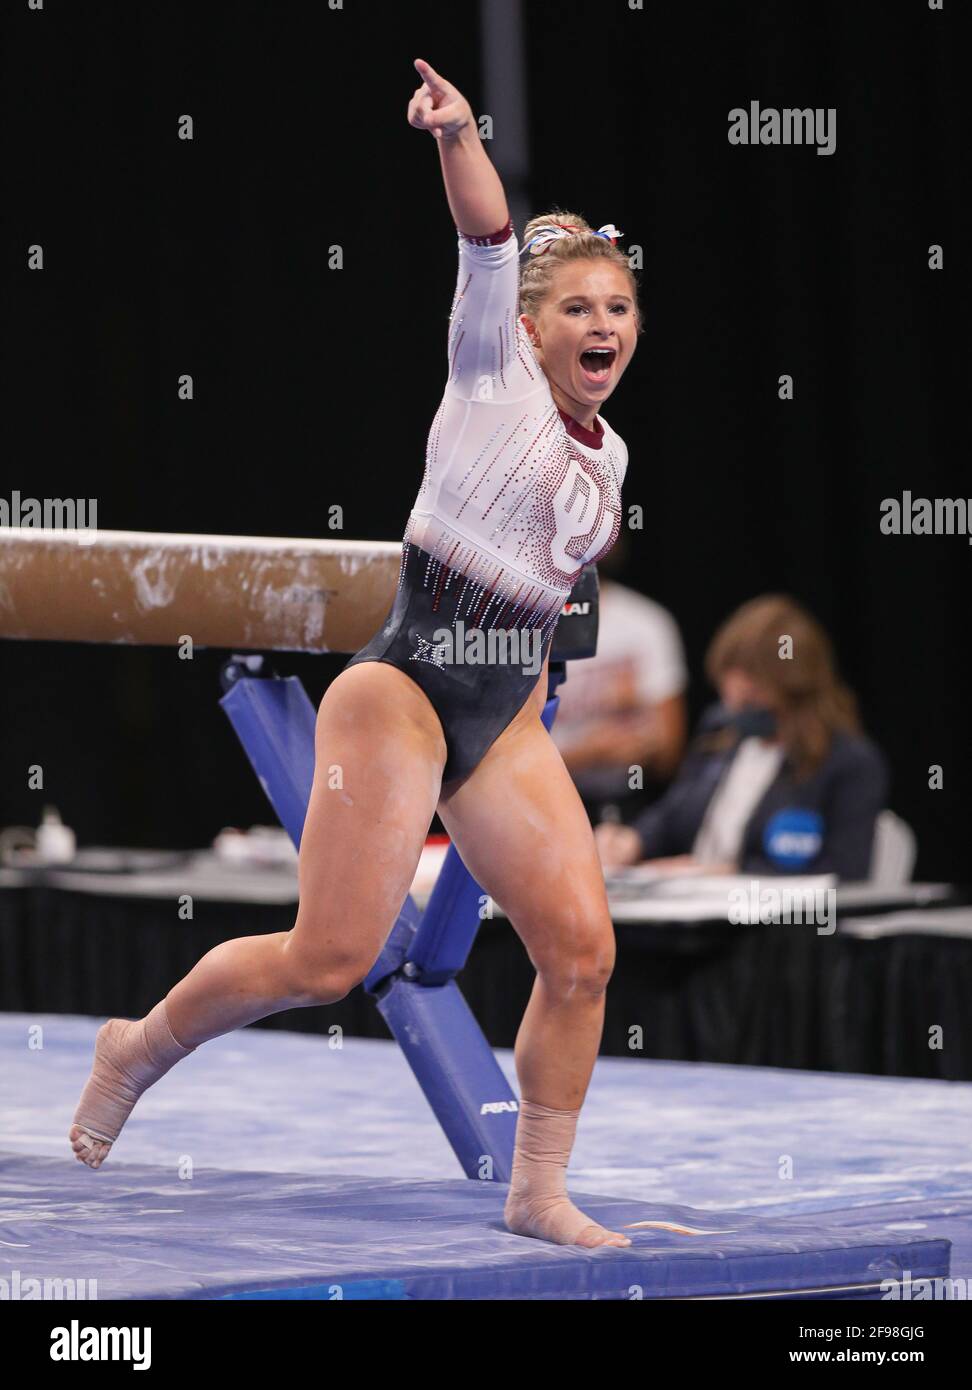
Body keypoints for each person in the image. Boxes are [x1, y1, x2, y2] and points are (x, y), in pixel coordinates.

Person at [70, 59, 643, 1249]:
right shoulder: (490, 371)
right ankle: (136, 1046)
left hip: (498, 710)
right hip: (400, 690)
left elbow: (544, 603)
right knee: (329, 956)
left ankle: (535, 1189)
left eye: (619, 310)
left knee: (582, 953)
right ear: (530, 328)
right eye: (578, 309)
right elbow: (486, 234)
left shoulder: (611, 456)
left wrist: (528, 712)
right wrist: (454, 134)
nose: (602, 327)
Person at [595, 595, 889, 879]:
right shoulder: (721, 732)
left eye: (752, 698)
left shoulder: (847, 763)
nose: (736, 707)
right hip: (689, 912)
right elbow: (674, 812)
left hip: (770, 923)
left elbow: (843, 873)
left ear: (796, 689)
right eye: (732, 695)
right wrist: (632, 840)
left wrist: (724, 874)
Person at [550, 532, 687, 823]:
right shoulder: (532, 624)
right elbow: (504, 753)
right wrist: (587, 752)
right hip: (549, 801)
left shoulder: (646, 623)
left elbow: (670, 751)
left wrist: (642, 745)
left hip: (632, 804)